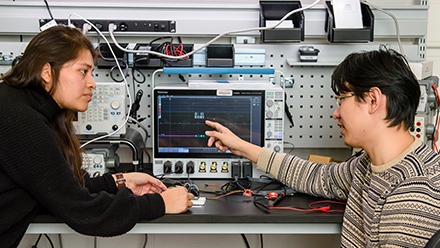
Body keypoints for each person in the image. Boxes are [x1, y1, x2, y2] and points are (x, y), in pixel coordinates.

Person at [205, 47, 440, 247]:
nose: (336, 113)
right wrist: (242, 147)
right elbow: (315, 176)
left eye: (341, 100)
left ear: (373, 100)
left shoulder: (415, 193)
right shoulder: (367, 165)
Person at [0, 25, 193, 247]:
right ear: (46, 72)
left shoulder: (17, 105)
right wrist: (160, 203)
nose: (92, 83)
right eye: (83, 71)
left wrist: (119, 182)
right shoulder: (19, 121)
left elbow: (57, 186)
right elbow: (83, 211)